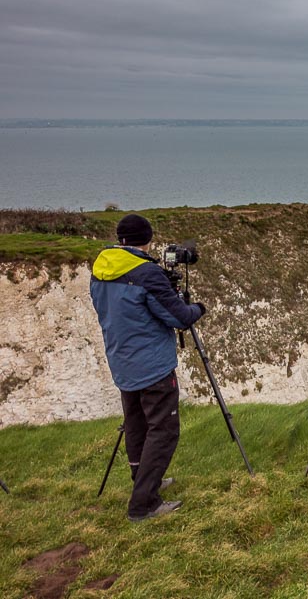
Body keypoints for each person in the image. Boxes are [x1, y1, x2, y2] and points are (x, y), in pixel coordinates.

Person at [90, 213, 205, 521]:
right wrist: (197, 307)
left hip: (122, 361)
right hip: (152, 365)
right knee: (164, 430)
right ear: (146, 239)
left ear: (120, 240)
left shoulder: (101, 269)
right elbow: (179, 317)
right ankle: (144, 504)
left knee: (136, 425)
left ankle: (144, 483)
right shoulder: (146, 273)